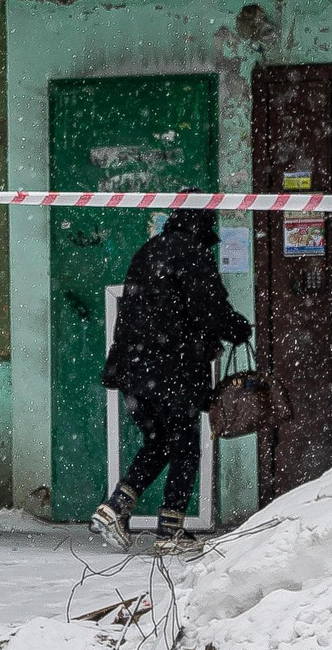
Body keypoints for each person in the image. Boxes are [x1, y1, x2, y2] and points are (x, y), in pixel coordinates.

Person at [93, 208, 251, 553]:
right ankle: (170, 533)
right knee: (185, 445)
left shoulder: (151, 249)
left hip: (134, 368)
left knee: (159, 440)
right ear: (204, 223)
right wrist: (237, 328)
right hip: (171, 367)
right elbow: (208, 307)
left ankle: (114, 509)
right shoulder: (192, 254)